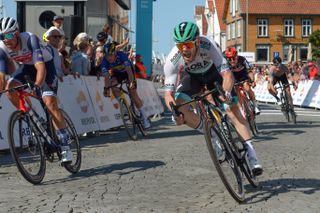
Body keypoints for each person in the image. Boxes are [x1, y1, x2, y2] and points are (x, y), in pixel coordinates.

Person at [164, 21, 262, 175]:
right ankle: (211, 133)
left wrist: (227, 93)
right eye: (180, 45)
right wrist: (174, 112)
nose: (184, 50)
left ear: (197, 41)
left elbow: (227, 74)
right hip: (192, 78)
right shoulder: (172, 60)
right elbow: (168, 94)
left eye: (188, 45)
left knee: (232, 110)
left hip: (213, 74)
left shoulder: (207, 45)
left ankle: (252, 155)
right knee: (180, 108)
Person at [0, 17, 72, 162]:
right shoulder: (2, 47)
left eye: (8, 35)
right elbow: (1, 77)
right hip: (26, 68)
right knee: (10, 88)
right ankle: (33, 117)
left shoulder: (30, 39)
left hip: (46, 65)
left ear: (16, 33)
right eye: (2, 36)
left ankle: (65, 145)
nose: (5, 39)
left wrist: (37, 85)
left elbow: (40, 67)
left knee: (49, 102)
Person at [101, 42, 151, 129]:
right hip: (117, 73)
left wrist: (132, 82)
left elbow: (129, 70)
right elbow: (106, 77)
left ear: (115, 53)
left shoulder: (122, 56)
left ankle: (145, 117)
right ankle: (123, 106)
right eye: (107, 56)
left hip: (128, 73)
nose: (109, 58)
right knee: (112, 85)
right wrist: (106, 88)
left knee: (133, 93)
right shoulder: (105, 61)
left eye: (111, 55)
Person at [224, 47, 260, 115]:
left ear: (236, 56)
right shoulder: (226, 63)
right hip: (234, 77)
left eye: (233, 58)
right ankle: (242, 109)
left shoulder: (242, 59)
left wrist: (252, 81)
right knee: (237, 91)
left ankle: (255, 105)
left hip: (243, 75)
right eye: (229, 59)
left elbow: (249, 71)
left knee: (247, 88)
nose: (232, 60)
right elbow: (225, 76)